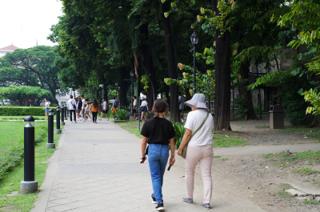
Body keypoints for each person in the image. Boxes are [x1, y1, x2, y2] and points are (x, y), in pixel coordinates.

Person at [177, 93, 214, 209]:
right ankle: (206, 201)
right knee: (207, 175)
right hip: (208, 148)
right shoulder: (210, 116)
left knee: (189, 172)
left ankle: (189, 197)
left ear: (196, 104)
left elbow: (188, 133)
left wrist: (181, 147)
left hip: (194, 148)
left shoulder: (191, 115)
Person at [140, 99, 176, 212]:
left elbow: (143, 141)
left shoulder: (148, 123)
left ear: (154, 108)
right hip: (165, 150)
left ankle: (159, 201)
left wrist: (142, 155)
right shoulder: (168, 124)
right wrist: (172, 156)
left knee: (156, 176)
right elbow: (172, 142)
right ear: (165, 109)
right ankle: (156, 195)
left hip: (153, 150)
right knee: (159, 176)